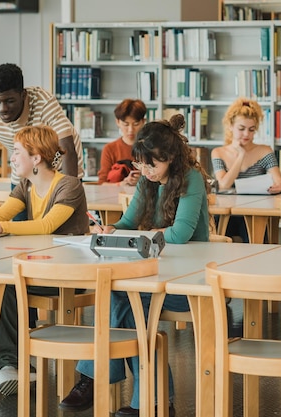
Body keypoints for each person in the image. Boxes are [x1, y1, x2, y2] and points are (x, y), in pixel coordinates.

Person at [59, 114, 210, 417]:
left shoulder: (191, 177)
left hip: (189, 280)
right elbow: (129, 221)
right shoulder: (147, 179)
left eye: (152, 165)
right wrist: (112, 229)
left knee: (121, 298)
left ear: (170, 157)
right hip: (154, 274)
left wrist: (132, 235)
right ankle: (153, 401)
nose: (146, 172)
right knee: (124, 299)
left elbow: (180, 234)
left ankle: (93, 376)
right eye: (141, 164)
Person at [0, 125, 90, 396]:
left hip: (68, 274)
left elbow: (47, 225)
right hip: (38, 270)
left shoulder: (69, 185)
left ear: (36, 158)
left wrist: (5, 228)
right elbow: (2, 214)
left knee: (7, 281)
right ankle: (8, 364)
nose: (12, 158)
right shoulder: (26, 186)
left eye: (17, 152)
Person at [0, 62, 83, 188]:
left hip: (60, 167)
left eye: (10, 101)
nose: (3, 108)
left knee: (60, 205)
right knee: (18, 208)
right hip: (23, 169)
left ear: (23, 95)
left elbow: (67, 149)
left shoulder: (43, 103)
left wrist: (68, 195)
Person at [211, 98, 281, 241]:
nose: (246, 134)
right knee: (217, 235)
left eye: (251, 130)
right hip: (227, 214)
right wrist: (241, 156)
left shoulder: (264, 151)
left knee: (254, 237)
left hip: (254, 213)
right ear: (230, 126)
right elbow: (223, 185)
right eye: (241, 129)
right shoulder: (218, 152)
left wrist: (278, 187)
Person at [97, 98, 146, 186]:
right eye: (126, 124)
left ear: (143, 122)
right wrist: (122, 184)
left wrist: (143, 180)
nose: (130, 130)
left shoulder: (150, 147)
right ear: (118, 122)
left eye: (135, 124)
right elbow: (102, 184)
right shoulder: (110, 149)